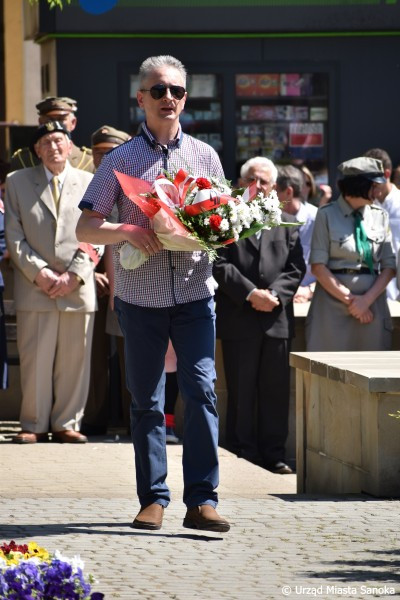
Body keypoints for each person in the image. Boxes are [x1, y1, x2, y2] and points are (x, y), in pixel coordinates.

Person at [76, 55, 230, 532]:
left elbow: (223, 224)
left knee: (201, 391)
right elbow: (86, 225)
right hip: (140, 299)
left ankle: (203, 500)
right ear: (140, 97)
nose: (168, 98)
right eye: (158, 90)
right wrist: (126, 230)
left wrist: (209, 232)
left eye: (177, 91)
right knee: (145, 399)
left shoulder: (205, 155)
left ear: (186, 98)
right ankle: (154, 498)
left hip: (193, 294)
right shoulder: (119, 160)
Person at [5, 121, 97, 444]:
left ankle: (67, 423)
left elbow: (97, 235)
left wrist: (75, 274)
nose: (53, 147)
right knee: (35, 359)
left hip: (78, 286)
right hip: (35, 286)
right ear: (36, 151)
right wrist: (40, 273)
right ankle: (32, 423)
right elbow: (14, 236)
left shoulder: (89, 182)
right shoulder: (17, 182)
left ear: (70, 147)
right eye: (45, 143)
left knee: (75, 361)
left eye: (59, 141)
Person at [213, 157, 306, 474]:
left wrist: (275, 296)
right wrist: (251, 294)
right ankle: (243, 450)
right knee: (240, 390)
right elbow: (219, 264)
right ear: (240, 184)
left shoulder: (286, 223)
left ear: (275, 188)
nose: (258, 186)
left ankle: (274, 454)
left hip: (276, 321)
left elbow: (296, 269)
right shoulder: (225, 220)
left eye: (265, 182)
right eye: (252, 180)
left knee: (275, 391)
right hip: (240, 318)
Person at [306, 156, 396, 351]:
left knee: (372, 369)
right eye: (373, 185)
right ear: (358, 185)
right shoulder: (326, 215)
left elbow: (390, 267)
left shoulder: (380, 216)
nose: (378, 190)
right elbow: (318, 267)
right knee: (329, 370)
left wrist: (365, 301)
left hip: (371, 306)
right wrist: (352, 302)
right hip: (332, 308)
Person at [81, 125, 131, 436]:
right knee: (93, 354)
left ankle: (131, 417)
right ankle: (94, 417)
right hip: (88, 282)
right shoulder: (85, 183)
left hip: (127, 281)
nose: (102, 158)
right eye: (98, 153)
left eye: (109, 153)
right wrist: (93, 273)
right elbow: (77, 232)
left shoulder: (131, 185)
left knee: (132, 355)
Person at [10, 96, 95, 173]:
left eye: (61, 120)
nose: (56, 125)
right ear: (40, 123)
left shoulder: (88, 161)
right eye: (49, 121)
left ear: (73, 123)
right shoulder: (23, 160)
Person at [275, 165, 317, 303]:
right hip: (277, 300)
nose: (270, 199)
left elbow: (335, 268)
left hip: (314, 302)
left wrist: (310, 290)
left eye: (274, 193)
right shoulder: (270, 221)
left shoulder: (319, 220)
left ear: (288, 192)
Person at [363, 148, 400, 300]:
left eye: (372, 178)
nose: (369, 184)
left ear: (386, 174)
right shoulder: (363, 207)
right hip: (369, 294)